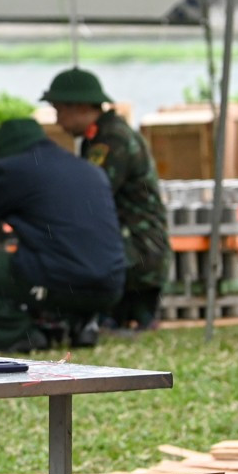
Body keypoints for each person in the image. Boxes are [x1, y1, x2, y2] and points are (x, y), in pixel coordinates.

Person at [0, 118, 126, 353]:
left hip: (59, 283)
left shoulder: (14, 170)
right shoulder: (87, 168)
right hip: (111, 287)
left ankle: (20, 333)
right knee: (58, 258)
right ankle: (80, 323)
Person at [43, 68, 169, 330]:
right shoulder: (102, 136)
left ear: (79, 107)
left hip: (137, 251)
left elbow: (90, 195)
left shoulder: (111, 139)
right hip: (133, 250)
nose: (58, 121)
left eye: (60, 111)